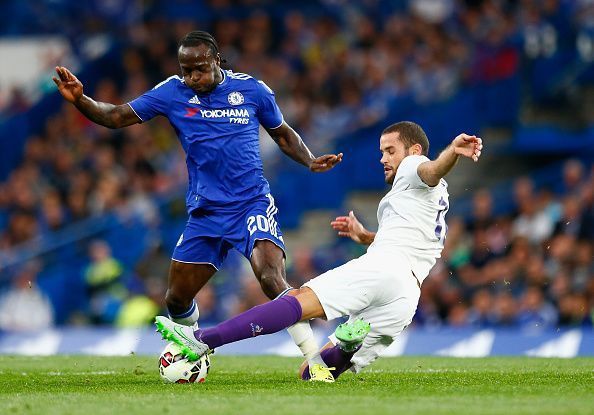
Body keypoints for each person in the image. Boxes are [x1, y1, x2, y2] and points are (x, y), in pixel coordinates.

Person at [52, 31, 342, 367]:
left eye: (199, 69)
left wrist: (309, 160)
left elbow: (282, 133)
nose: (192, 77)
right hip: (205, 213)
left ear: (217, 60)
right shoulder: (172, 91)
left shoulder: (252, 90)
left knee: (270, 277)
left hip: (252, 204)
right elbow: (116, 116)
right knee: (175, 299)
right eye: (186, 70)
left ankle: (316, 360)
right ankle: (193, 348)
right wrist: (81, 100)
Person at [155, 121, 483, 382]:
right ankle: (348, 344)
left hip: (383, 269)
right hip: (404, 297)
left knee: (295, 301)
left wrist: (452, 151)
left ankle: (203, 339)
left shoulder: (416, 165)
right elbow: (409, 240)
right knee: (311, 373)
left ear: (413, 150)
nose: (383, 158)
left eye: (390, 150)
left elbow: (430, 169)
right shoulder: (435, 200)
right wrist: (366, 235)